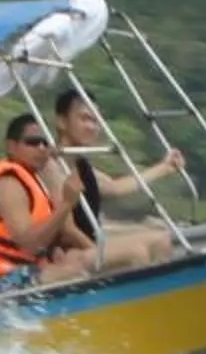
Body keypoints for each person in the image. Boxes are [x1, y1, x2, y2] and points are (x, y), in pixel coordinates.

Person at [0, 113, 99, 297]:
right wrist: (67, 203)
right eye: (32, 142)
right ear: (11, 146)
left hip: (14, 273)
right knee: (77, 270)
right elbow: (30, 245)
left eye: (45, 143)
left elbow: (51, 235)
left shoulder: (33, 177)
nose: (41, 147)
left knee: (77, 258)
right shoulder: (8, 185)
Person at [50, 88, 185, 271]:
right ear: (62, 122)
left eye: (96, 121)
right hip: (66, 253)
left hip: (90, 242)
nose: (92, 127)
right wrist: (99, 248)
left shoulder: (81, 165)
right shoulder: (53, 166)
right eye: (85, 119)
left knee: (160, 239)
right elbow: (67, 230)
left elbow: (115, 187)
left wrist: (164, 167)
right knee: (136, 252)